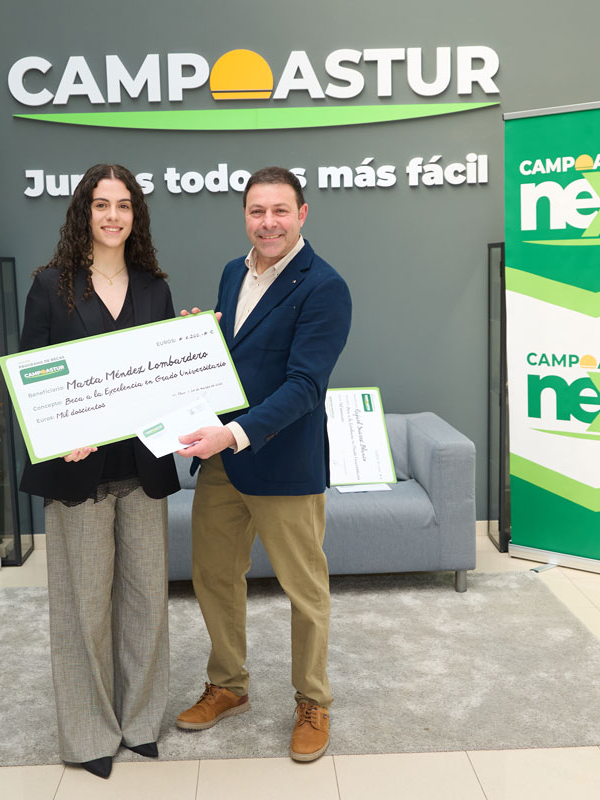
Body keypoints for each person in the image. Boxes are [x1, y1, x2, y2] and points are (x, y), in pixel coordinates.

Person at [175, 166, 351, 762]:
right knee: (213, 575)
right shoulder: (234, 272)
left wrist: (231, 434)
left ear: (302, 214)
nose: (267, 222)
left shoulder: (324, 286)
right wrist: (196, 344)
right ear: (245, 216)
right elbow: (236, 361)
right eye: (257, 211)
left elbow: (305, 386)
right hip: (224, 463)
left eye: (279, 211)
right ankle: (228, 685)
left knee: (305, 590)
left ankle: (312, 700)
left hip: (282, 463)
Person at [18, 163, 179, 780]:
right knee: (82, 607)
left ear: (137, 215)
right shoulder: (49, 286)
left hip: (142, 469)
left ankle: (139, 723)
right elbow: (31, 376)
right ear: (83, 212)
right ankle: (89, 733)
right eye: (102, 204)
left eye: (124, 205)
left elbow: (165, 376)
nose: (113, 216)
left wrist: (193, 348)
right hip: (77, 474)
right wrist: (59, 437)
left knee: (146, 602)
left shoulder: (154, 287)